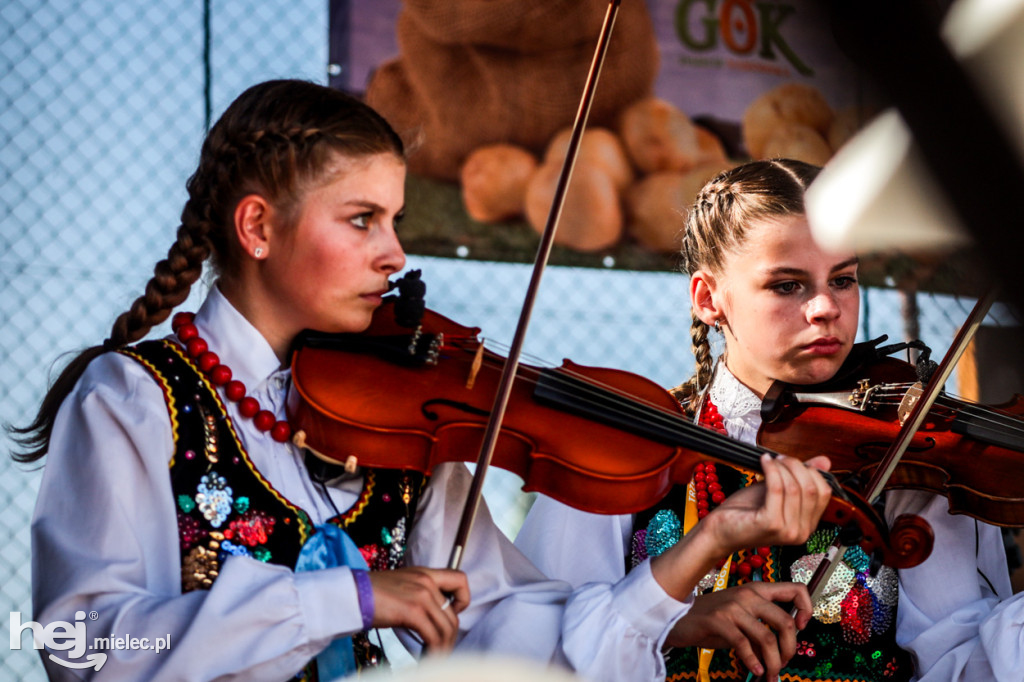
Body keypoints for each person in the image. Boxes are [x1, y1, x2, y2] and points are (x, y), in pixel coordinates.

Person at [12, 79, 580, 681]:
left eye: (395, 221)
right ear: (256, 226)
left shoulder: (398, 414)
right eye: (363, 220)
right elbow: (82, 646)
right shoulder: (135, 398)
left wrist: (667, 599)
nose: (395, 254)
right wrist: (346, 600)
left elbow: (500, 616)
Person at [515, 158, 1012, 682]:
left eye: (842, 279)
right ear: (709, 299)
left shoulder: (909, 456)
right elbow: (539, 656)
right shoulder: (621, 443)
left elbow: (957, 662)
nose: (826, 307)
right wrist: (670, 620)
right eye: (787, 285)